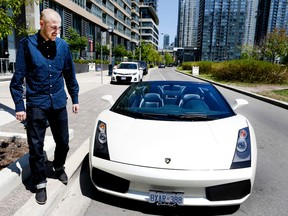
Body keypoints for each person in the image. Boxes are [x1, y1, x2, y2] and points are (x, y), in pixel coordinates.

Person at [9, 8, 79, 205]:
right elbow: (18, 78)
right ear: (42, 24)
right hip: (36, 103)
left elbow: (69, 75)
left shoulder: (63, 46)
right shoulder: (26, 45)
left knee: (63, 142)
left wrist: (75, 98)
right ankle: (40, 183)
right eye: (53, 27)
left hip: (58, 101)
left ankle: (58, 166)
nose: (57, 31)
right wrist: (19, 106)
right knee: (36, 147)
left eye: (59, 27)